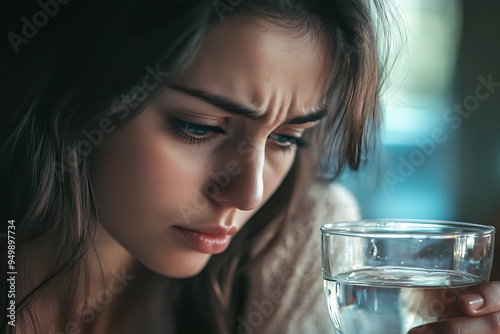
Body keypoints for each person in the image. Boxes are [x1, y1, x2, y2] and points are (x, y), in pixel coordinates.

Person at [1, 0, 500, 333]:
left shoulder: (296, 241)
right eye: (199, 127)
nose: (249, 194)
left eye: (286, 138)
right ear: (76, 97)